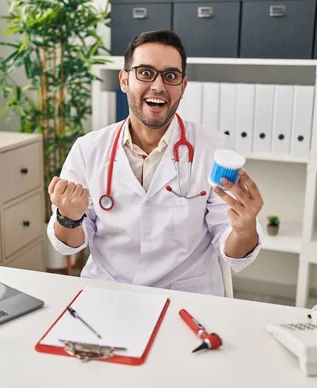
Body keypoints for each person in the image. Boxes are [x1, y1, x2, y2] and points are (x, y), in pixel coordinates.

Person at [46, 29, 263, 296]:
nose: (158, 86)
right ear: (124, 80)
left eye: (170, 76)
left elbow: (233, 251)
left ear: (183, 87)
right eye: (145, 73)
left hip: (187, 298)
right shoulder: (88, 149)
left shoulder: (214, 149)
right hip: (109, 293)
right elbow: (70, 245)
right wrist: (69, 218)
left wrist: (244, 229)